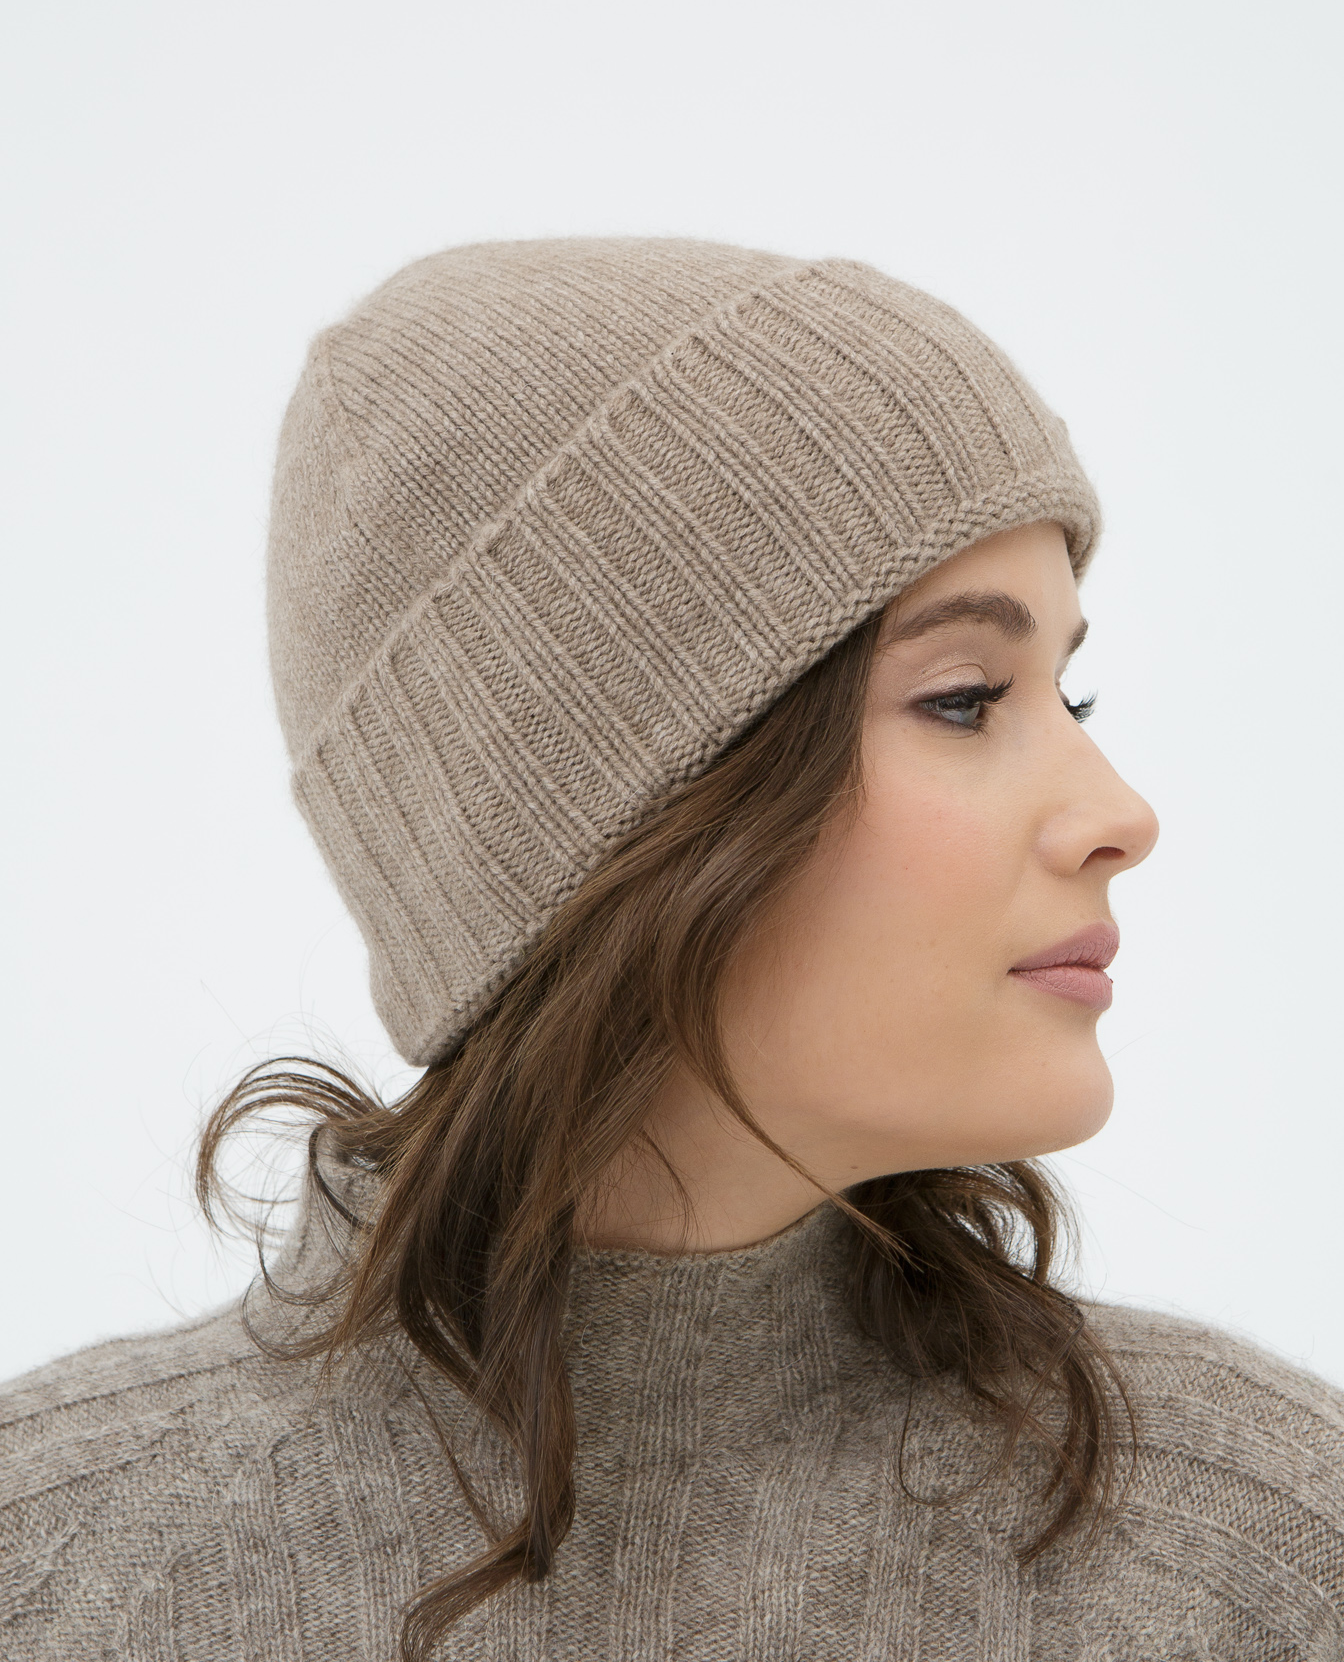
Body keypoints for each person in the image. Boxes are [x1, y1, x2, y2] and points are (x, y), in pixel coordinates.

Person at [2, 237, 1341, 1662]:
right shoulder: (60, 1574)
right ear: (606, 824)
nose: (1121, 816)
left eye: (1073, 693)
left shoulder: (1260, 1554)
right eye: (966, 698)